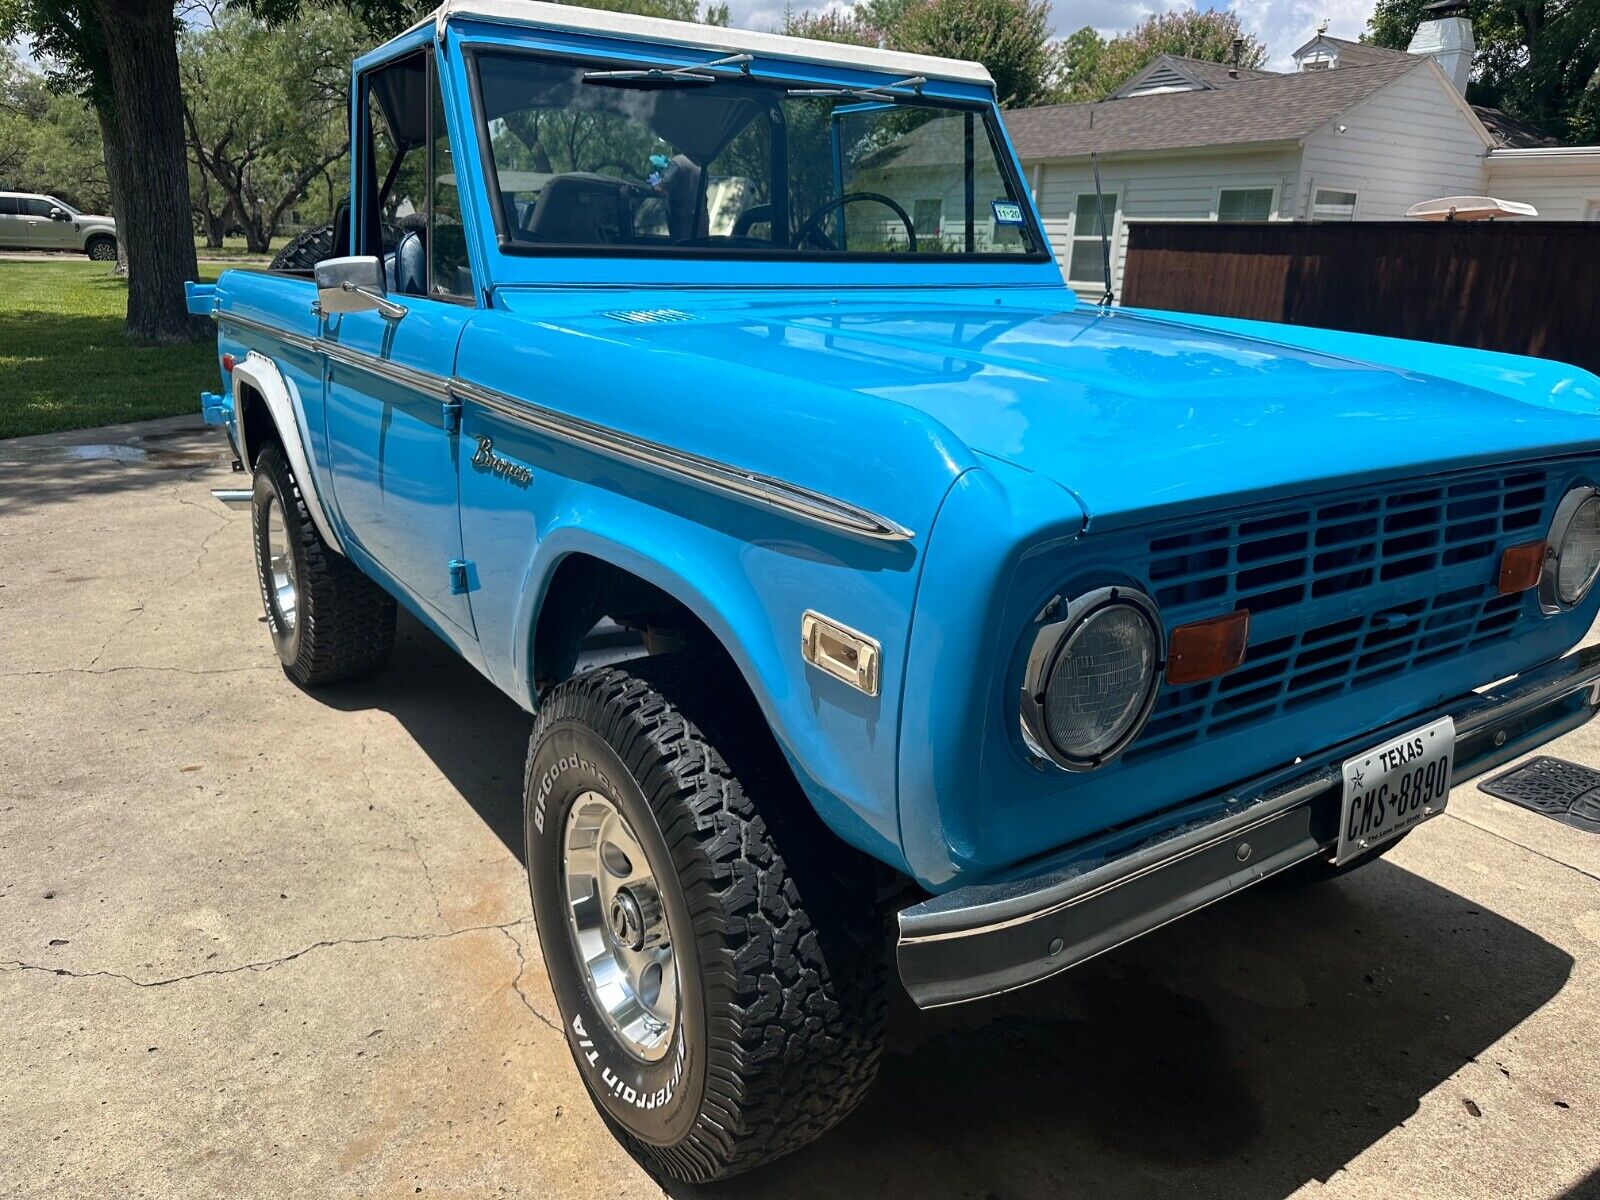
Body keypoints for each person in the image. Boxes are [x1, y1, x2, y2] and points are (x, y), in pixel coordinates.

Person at [649, 151, 706, 242]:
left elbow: (662, 190)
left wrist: (653, 186)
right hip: (701, 222)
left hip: (682, 223)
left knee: (682, 252)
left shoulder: (677, 162)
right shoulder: (700, 163)